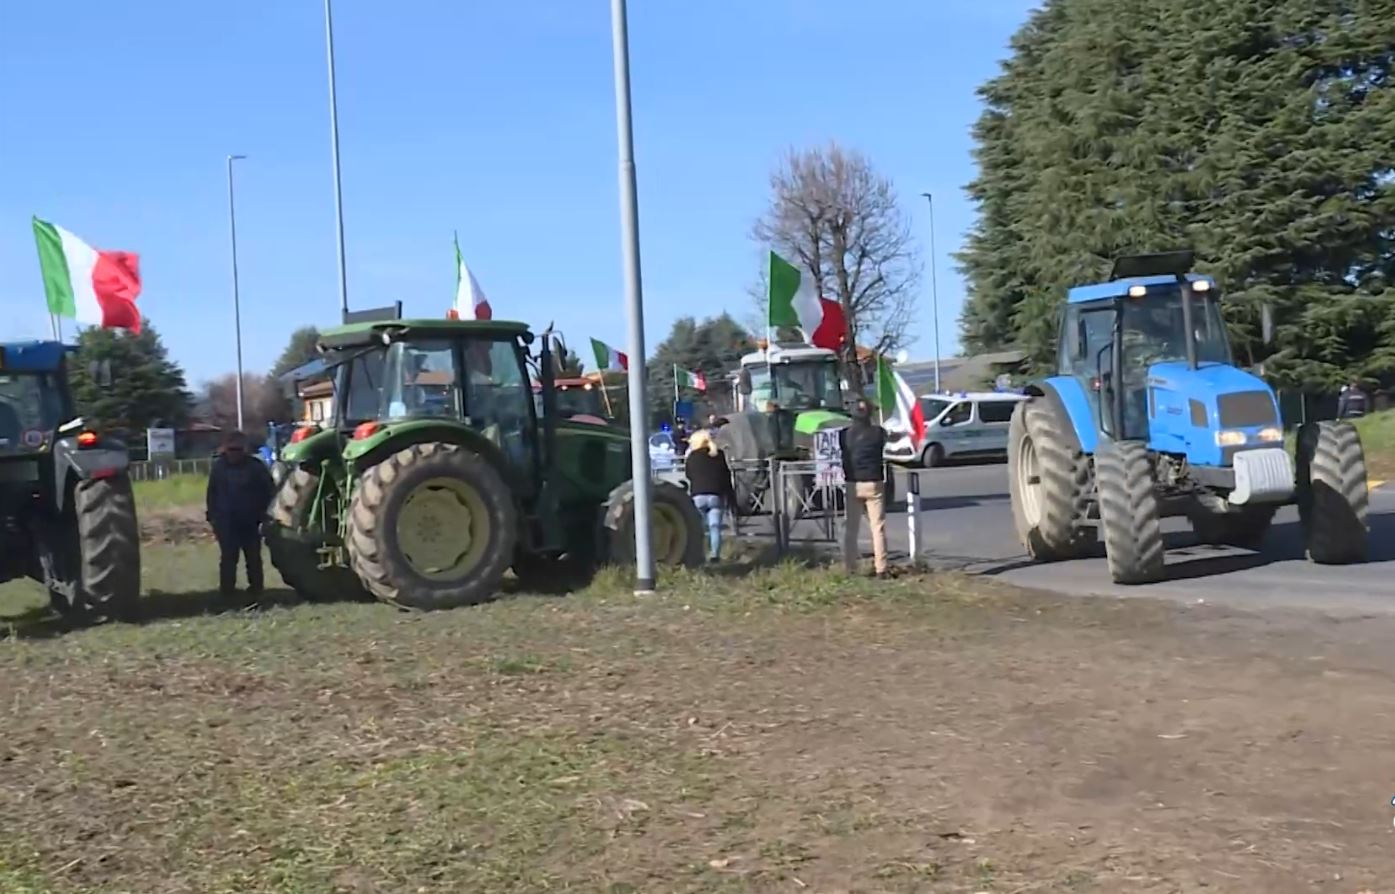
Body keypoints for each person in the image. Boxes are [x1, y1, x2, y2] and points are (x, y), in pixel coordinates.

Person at [206, 430, 276, 598]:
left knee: (253, 558)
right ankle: (227, 592)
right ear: (225, 449)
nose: (234, 454)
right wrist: (212, 516)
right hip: (226, 521)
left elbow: (270, 491)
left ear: (244, 449)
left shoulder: (256, 467)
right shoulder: (219, 467)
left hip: (251, 520)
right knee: (228, 558)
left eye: (238, 449)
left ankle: (256, 590)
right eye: (231, 449)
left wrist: (266, 515)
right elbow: (212, 493)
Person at [839, 399, 888, 577]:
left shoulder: (844, 434)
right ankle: (881, 568)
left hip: (853, 483)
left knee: (851, 529)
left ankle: (850, 567)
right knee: (877, 527)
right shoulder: (879, 432)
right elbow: (884, 442)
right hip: (874, 482)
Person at [684, 429, 737, 562]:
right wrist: (730, 498)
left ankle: (699, 555)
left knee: (699, 529)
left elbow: (688, 475)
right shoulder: (718, 455)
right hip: (716, 495)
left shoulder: (692, 457)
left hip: (698, 495)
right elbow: (726, 476)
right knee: (715, 527)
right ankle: (715, 555)